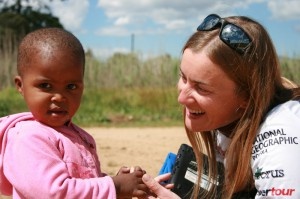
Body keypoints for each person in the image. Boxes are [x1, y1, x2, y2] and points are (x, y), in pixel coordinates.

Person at [142, 14, 300, 198]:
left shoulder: (283, 135)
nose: (182, 98)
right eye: (183, 77)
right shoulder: (231, 117)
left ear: (247, 97)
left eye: (201, 88)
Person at [0, 27, 147, 198]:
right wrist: (115, 187)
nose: (59, 97)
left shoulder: (81, 137)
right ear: (21, 86)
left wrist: (111, 181)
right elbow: (53, 193)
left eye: (71, 86)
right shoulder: (28, 138)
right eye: (45, 86)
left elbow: (80, 184)